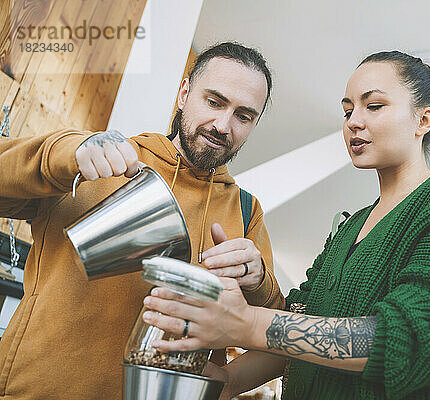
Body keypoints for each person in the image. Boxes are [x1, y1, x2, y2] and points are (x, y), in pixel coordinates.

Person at [142, 50, 430, 400]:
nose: (354, 122)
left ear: (423, 119)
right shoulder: (350, 228)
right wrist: (231, 380)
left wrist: (245, 324)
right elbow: (305, 324)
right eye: (347, 111)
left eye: (373, 106)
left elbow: (409, 340)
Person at [0, 42, 285, 400]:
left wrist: (257, 280)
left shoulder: (245, 211)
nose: (222, 125)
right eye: (214, 102)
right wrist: (66, 152)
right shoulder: (102, 161)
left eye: (243, 116)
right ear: (184, 94)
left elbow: (273, 328)